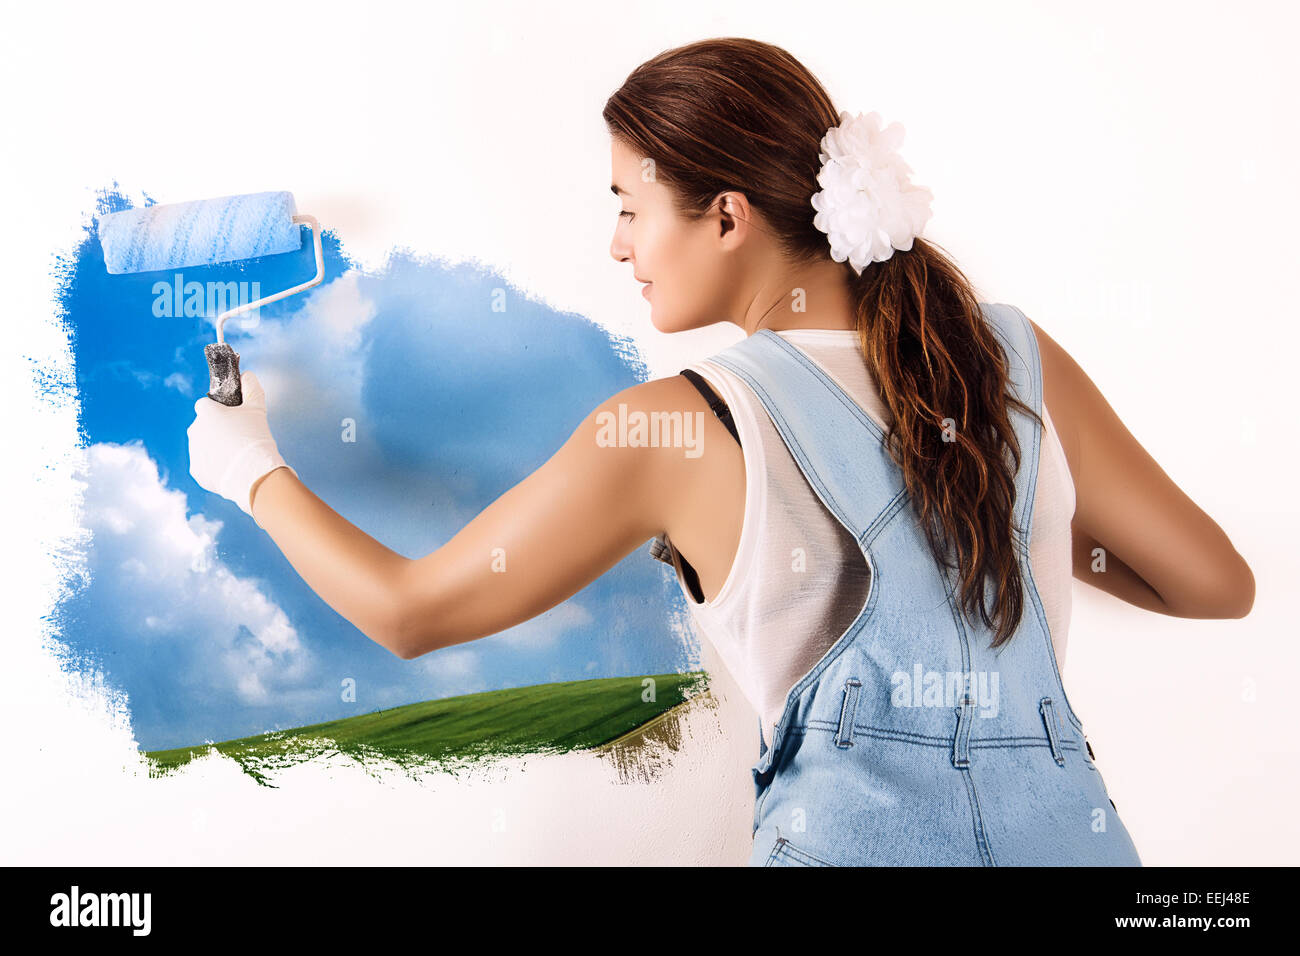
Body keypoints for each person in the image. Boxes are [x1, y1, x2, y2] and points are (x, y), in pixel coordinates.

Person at [187, 37, 1255, 866]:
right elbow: (1211, 581)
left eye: (629, 206)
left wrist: (249, 466)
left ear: (729, 215)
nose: (616, 245)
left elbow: (411, 612)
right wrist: (988, 500)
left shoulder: (673, 427)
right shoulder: (1009, 355)